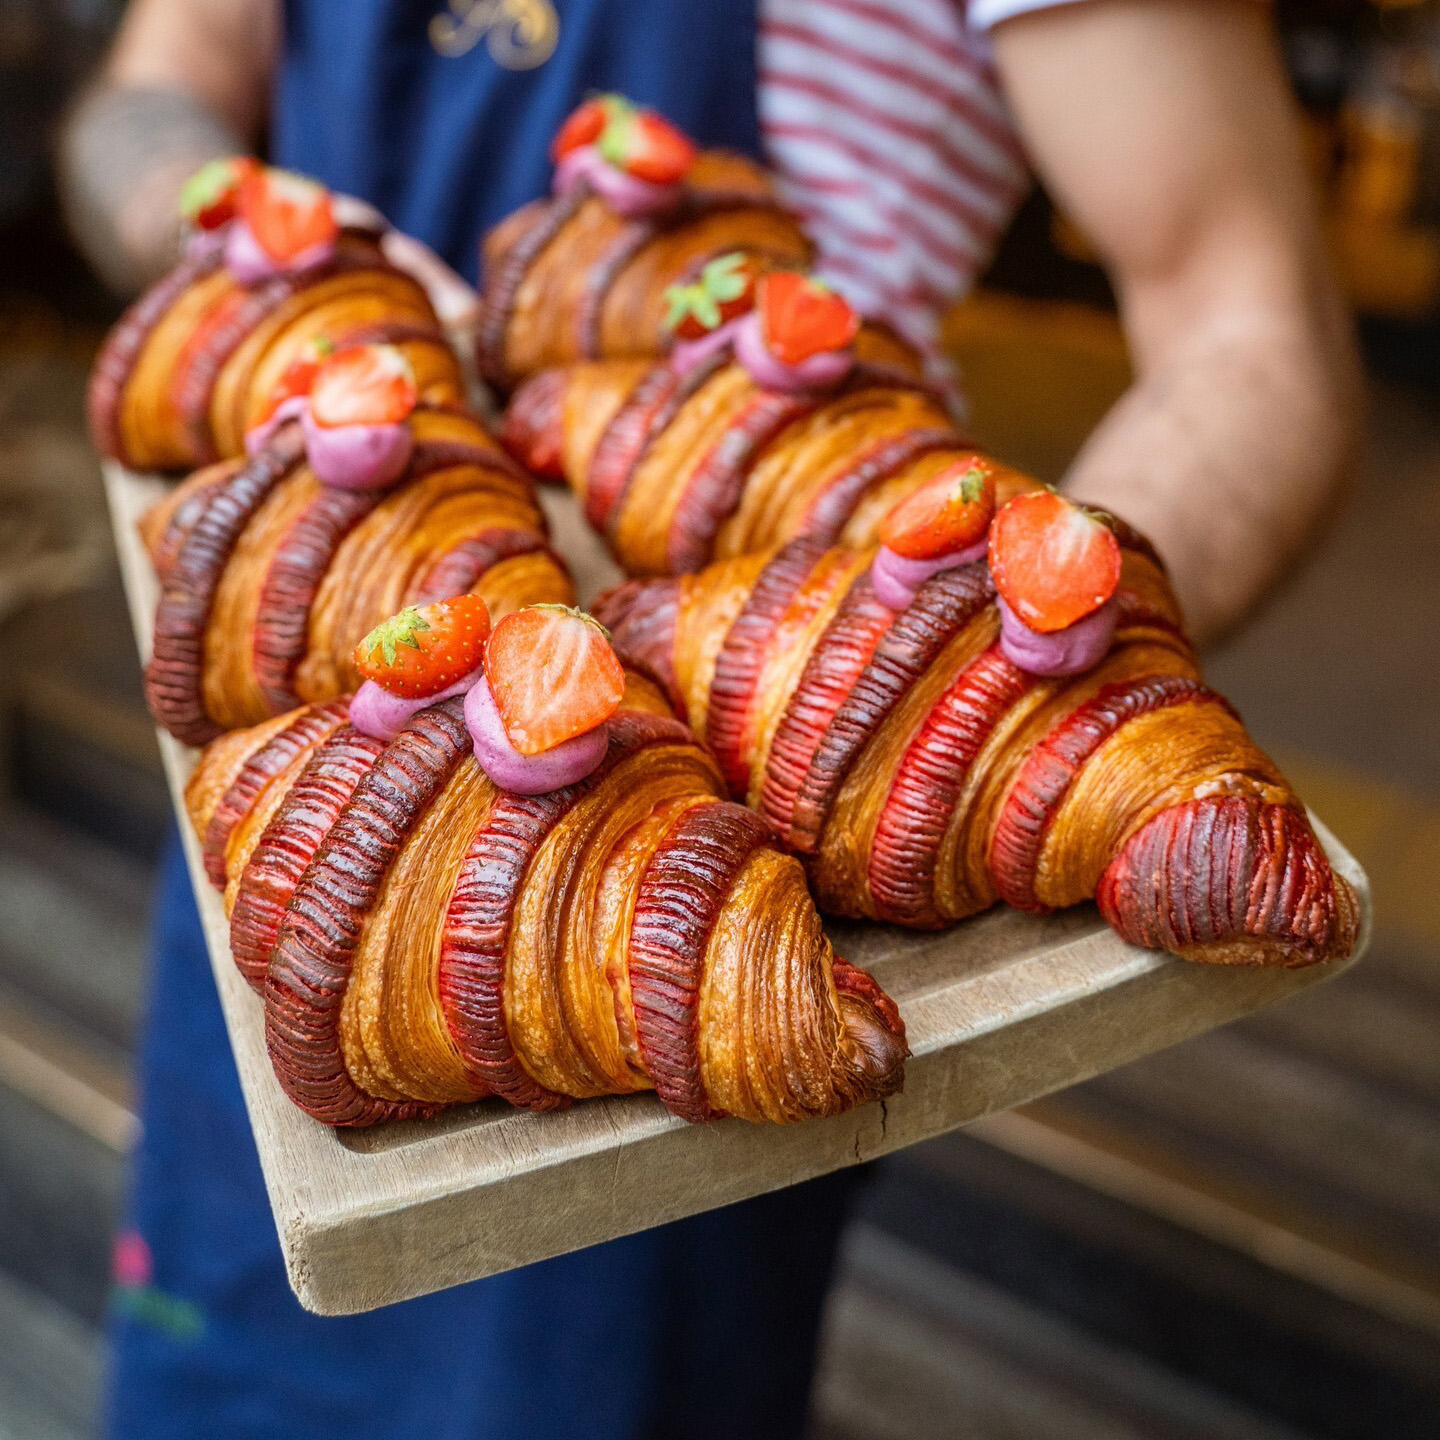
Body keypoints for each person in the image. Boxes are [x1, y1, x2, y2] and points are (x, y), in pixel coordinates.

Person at [60, 2, 1360, 1437]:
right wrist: (254, 240)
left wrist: (1006, 665)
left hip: (731, 886)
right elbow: (154, 89)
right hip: (313, 842)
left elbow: (1251, 326)